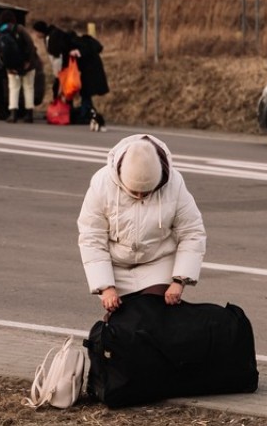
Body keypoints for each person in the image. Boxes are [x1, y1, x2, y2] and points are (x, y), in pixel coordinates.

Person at [77, 134, 206, 313]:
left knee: (149, 315)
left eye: (146, 192)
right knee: (126, 325)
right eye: (134, 191)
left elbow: (192, 232)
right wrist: (105, 286)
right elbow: (91, 237)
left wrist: (179, 281)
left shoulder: (174, 184)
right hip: (116, 267)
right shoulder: (102, 184)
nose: (140, 197)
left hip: (158, 263)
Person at [32, 20, 110, 124]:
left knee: (85, 93)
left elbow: (68, 60)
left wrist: (61, 73)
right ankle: (87, 114)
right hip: (88, 72)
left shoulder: (77, 46)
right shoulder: (78, 44)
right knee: (85, 94)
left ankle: (86, 115)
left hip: (89, 73)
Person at [0, 10, 42, 123]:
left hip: (11, 66)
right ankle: (29, 114)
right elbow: (30, 45)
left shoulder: (1, 32)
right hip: (28, 65)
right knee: (28, 88)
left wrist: (7, 66)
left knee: (13, 88)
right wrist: (28, 62)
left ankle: (13, 114)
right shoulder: (20, 29)